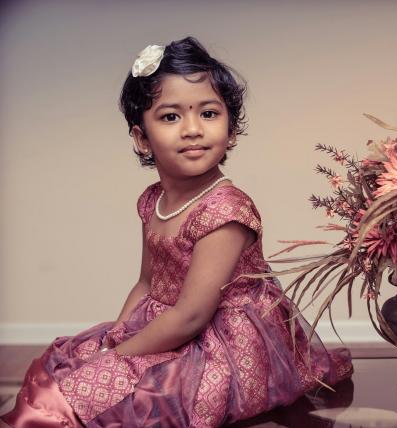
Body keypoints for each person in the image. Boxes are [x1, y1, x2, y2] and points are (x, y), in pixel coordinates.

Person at [0, 37, 353, 428]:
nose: (191, 130)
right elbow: (147, 282)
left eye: (208, 113)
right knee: (66, 368)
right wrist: (116, 338)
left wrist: (121, 359)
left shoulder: (226, 210)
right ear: (141, 138)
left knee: (122, 397)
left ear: (231, 130)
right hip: (168, 322)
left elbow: (192, 316)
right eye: (170, 117)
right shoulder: (153, 200)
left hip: (220, 340)